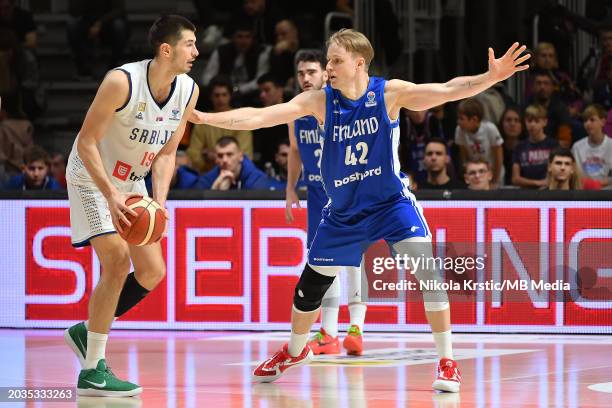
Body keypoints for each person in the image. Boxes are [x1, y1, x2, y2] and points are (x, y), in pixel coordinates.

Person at [191, 28, 530, 392]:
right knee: (308, 290)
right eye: (327, 61)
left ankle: (447, 361)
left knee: (427, 272)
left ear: (358, 62)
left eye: (335, 60)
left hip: (390, 204)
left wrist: (490, 77)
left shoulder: (389, 94)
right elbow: (262, 116)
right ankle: (294, 351)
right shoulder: (321, 102)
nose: (328, 67)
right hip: (344, 212)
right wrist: (207, 119)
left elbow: (448, 90)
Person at [62, 15, 199, 397]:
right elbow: (87, 141)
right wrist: (110, 194)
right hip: (92, 176)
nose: (196, 51)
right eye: (190, 44)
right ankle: (93, 368)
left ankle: (85, 331)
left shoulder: (188, 90)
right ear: (166, 49)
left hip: (131, 181)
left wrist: (159, 202)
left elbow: (168, 153)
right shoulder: (120, 81)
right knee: (118, 260)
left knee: (152, 272)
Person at [285, 50, 367, 356]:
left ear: (325, 73)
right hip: (318, 196)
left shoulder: (341, 102)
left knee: (354, 260)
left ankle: (356, 326)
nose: (305, 78)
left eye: (311, 72)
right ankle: (329, 332)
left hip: (350, 193)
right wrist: (290, 188)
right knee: (323, 262)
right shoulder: (296, 109)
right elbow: (294, 150)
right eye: (300, 73)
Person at [187, 76, 253, 172]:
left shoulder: (240, 118)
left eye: (224, 95)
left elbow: (246, 155)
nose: (220, 99)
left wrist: (211, 156)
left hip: (236, 173)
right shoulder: (202, 120)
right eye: (217, 95)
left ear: (230, 96)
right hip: (208, 174)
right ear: (211, 97)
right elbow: (193, 154)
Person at [66, 0, 130, 79]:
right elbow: (73, 10)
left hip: (108, 23)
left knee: (119, 26)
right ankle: (82, 67)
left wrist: (100, 23)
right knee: (72, 24)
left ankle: (113, 65)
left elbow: (119, 10)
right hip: (87, 23)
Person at [198, 135, 279, 190]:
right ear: (215, 159)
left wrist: (222, 195)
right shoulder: (207, 179)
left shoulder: (257, 179)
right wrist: (215, 190)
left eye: (229, 154)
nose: (224, 160)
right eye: (220, 156)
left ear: (240, 156)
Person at [455, 98, 504, 186]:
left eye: (462, 119)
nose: (458, 122)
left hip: (493, 171)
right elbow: (464, 157)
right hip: (474, 174)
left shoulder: (490, 129)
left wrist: (495, 180)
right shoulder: (459, 131)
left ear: (474, 119)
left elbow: (498, 157)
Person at [512, 105, 559, 189]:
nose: (532, 124)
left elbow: (559, 172)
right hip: (526, 194)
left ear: (544, 122)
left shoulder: (554, 145)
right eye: (529, 121)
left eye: (537, 121)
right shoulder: (519, 147)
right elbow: (515, 179)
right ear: (525, 122)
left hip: (549, 191)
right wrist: (538, 183)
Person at [572, 104, 612, 190]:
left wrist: (596, 185)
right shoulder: (577, 147)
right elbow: (576, 177)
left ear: (603, 122)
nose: (587, 124)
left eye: (592, 120)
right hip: (584, 194)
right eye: (585, 120)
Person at [498, 107, 525, 186]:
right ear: (502, 123)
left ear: (522, 125)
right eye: (508, 120)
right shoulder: (495, 148)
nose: (512, 124)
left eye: (517, 120)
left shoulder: (527, 147)